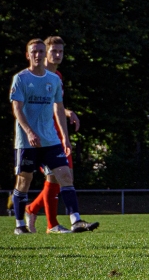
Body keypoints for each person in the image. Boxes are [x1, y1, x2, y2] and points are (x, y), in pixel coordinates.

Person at [10, 39, 98, 235]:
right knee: (24, 181)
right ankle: (20, 224)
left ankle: (76, 220)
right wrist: (29, 132)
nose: (38, 55)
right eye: (34, 52)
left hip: (51, 140)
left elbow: (58, 108)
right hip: (27, 141)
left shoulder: (54, 79)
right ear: (28, 55)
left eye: (41, 51)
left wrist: (65, 137)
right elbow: (17, 109)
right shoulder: (21, 79)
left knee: (65, 176)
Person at [24, 36, 81, 234]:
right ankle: (51, 224)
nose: (57, 55)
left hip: (57, 132)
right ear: (45, 53)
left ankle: (32, 209)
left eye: (60, 51)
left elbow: (55, 104)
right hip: (42, 134)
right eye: (53, 51)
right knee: (54, 176)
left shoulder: (57, 76)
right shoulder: (38, 75)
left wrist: (67, 113)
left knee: (63, 177)